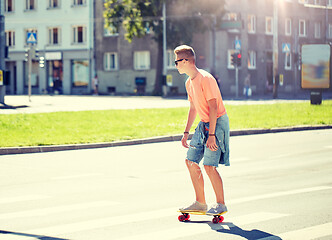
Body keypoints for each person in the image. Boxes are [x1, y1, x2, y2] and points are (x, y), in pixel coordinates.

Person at [174, 45, 230, 216]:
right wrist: (186, 133)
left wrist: (212, 135)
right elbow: (193, 108)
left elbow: (213, 108)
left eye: (177, 62)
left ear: (186, 61)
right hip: (203, 123)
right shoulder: (188, 83)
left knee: (209, 166)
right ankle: (200, 203)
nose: (175, 65)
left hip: (217, 122)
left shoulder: (206, 79)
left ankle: (221, 204)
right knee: (190, 161)